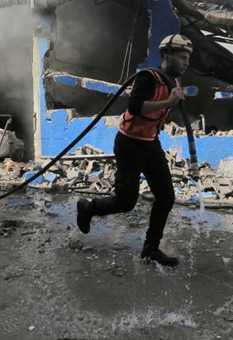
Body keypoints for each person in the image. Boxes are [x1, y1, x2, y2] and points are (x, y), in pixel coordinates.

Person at [76, 34, 193, 267]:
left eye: (188, 58)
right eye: (182, 58)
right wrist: (167, 103)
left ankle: (151, 249)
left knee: (166, 197)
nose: (186, 63)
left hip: (151, 143)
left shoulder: (175, 85)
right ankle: (88, 208)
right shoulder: (147, 77)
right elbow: (135, 107)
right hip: (129, 144)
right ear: (167, 57)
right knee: (126, 201)